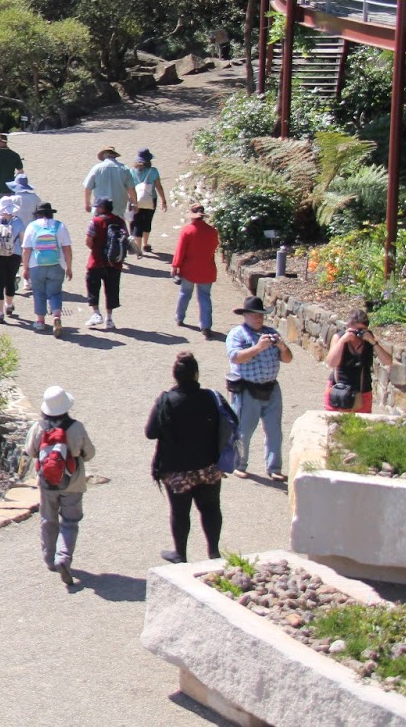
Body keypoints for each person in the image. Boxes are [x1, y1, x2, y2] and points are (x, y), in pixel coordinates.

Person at [146, 352, 224, 564]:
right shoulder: (210, 397)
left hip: (176, 470)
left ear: (175, 376)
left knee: (180, 513)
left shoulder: (166, 401)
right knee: (211, 508)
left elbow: (150, 432)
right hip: (208, 467)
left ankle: (180, 554)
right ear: (196, 374)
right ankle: (214, 552)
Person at [24, 385, 95, 586]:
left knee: (48, 519)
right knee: (70, 521)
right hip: (73, 483)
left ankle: (49, 558)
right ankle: (63, 557)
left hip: (47, 484)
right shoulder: (77, 428)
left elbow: (30, 451)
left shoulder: (39, 428)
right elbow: (89, 453)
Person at [226, 297, 293, 481]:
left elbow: (287, 359)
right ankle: (239, 464)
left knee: (274, 431)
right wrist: (258, 347)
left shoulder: (272, 333)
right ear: (245, 315)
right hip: (247, 389)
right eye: (254, 315)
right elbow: (236, 357)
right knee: (243, 431)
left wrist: (281, 346)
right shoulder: (237, 334)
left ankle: (274, 468)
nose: (259, 318)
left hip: (271, 388)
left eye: (261, 315)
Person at [21, 202, 73, 337]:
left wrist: (25, 268)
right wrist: (69, 267)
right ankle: (56, 316)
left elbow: (26, 250)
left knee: (39, 292)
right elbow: (67, 248)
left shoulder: (32, 227)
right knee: (55, 292)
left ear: (37, 214)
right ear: (51, 213)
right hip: (57, 264)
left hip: (36, 265)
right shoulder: (59, 226)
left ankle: (40, 321)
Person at [324, 309, 391, 414]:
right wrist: (342, 341)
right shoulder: (338, 337)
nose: (358, 334)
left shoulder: (369, 339)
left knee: (361, 427)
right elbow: (331, 363)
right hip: (339, 390)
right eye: (355, 330)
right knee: (335, 425)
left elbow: (388, 361)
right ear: (348, 327)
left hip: (362, 392)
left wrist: (373, 342)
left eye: (361, 330)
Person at [171, 205, 220, 340]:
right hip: (207, 268)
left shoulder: (187, 231)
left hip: (189, 269)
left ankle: (179, 317)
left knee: (185, 293)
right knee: (204, 297)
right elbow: (215, 247)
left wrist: (175, 266)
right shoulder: (212, 231)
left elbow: (180, 251)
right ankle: (206, 326)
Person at [83, 197, 128, 330]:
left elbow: (88, 241)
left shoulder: (95, 221)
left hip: (96, 261)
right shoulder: (120, 221)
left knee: (93, 287)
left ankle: (96, 314)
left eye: (97, 207)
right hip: (115, 262)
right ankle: (109, 318)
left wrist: (96, 249)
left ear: (102, 208)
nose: (95, 209)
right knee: (112, 289)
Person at [0, 195, 26, 324]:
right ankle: (8, 305)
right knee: (10, 280)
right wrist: (23, 257)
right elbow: (23, 241)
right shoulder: (18, 222)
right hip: (14, 254)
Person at [83, 146, 137, 224]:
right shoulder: (124, 169)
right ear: (115, 156)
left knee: (99, 231)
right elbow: (131, 189)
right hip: (118, 209)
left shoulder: (96, 168)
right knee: (118, 232)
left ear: (104, 156)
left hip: (100, 208)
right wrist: (135, 204)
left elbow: (88, 187)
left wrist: (87, 204)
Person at [129, 149, 169, 254]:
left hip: (135, 199)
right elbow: (159, 187)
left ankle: (137, 247)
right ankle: (145, 244)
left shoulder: (131, 171)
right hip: (151, 199)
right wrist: (164, 200)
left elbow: (128, 187)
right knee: (147, 220)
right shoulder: (153, 171)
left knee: (137, 222)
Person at [0, 133, 23, 207]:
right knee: (9, 210)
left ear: (3, 142)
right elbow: (20, 172)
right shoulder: (14, 155)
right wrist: (14, 179)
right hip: (9, 188)